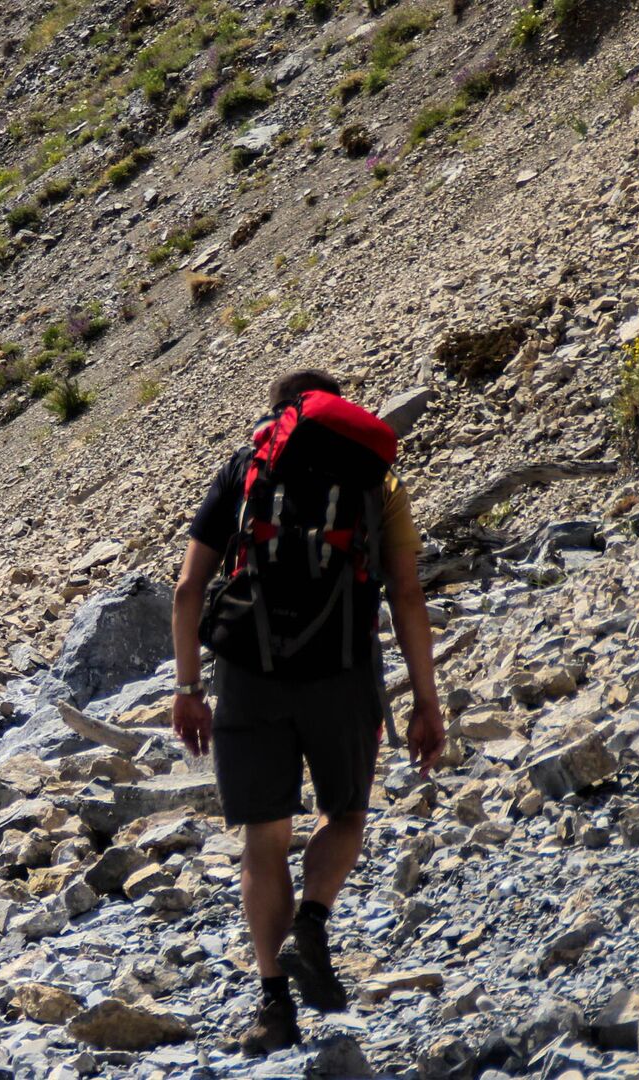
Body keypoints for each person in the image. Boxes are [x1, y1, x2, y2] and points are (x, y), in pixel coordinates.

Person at [169, 369, 445, 1055]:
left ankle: (272, 1006)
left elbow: (186, 590)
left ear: (280, 416)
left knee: (264, 842)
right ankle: (313, 924)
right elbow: (407, 594)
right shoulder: (374, 481)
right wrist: (426, 702)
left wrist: (188, 690)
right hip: (343, 672)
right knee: (345, 813)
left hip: (249, 677)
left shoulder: (246, 467)